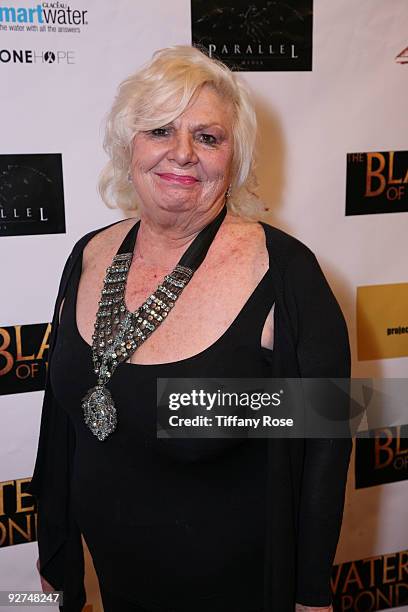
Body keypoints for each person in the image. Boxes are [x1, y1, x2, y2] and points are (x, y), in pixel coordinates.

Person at [28, 45, 352, 612]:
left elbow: (324, 439)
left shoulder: (287, 273)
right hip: (117, 578)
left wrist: (311, 595)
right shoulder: (89, 254)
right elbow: (61, 420)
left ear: (236, 158)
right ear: (128, 145)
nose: (182, 153)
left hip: (238, 586)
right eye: (159, 130)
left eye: (208, 137)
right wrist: (56, 549)